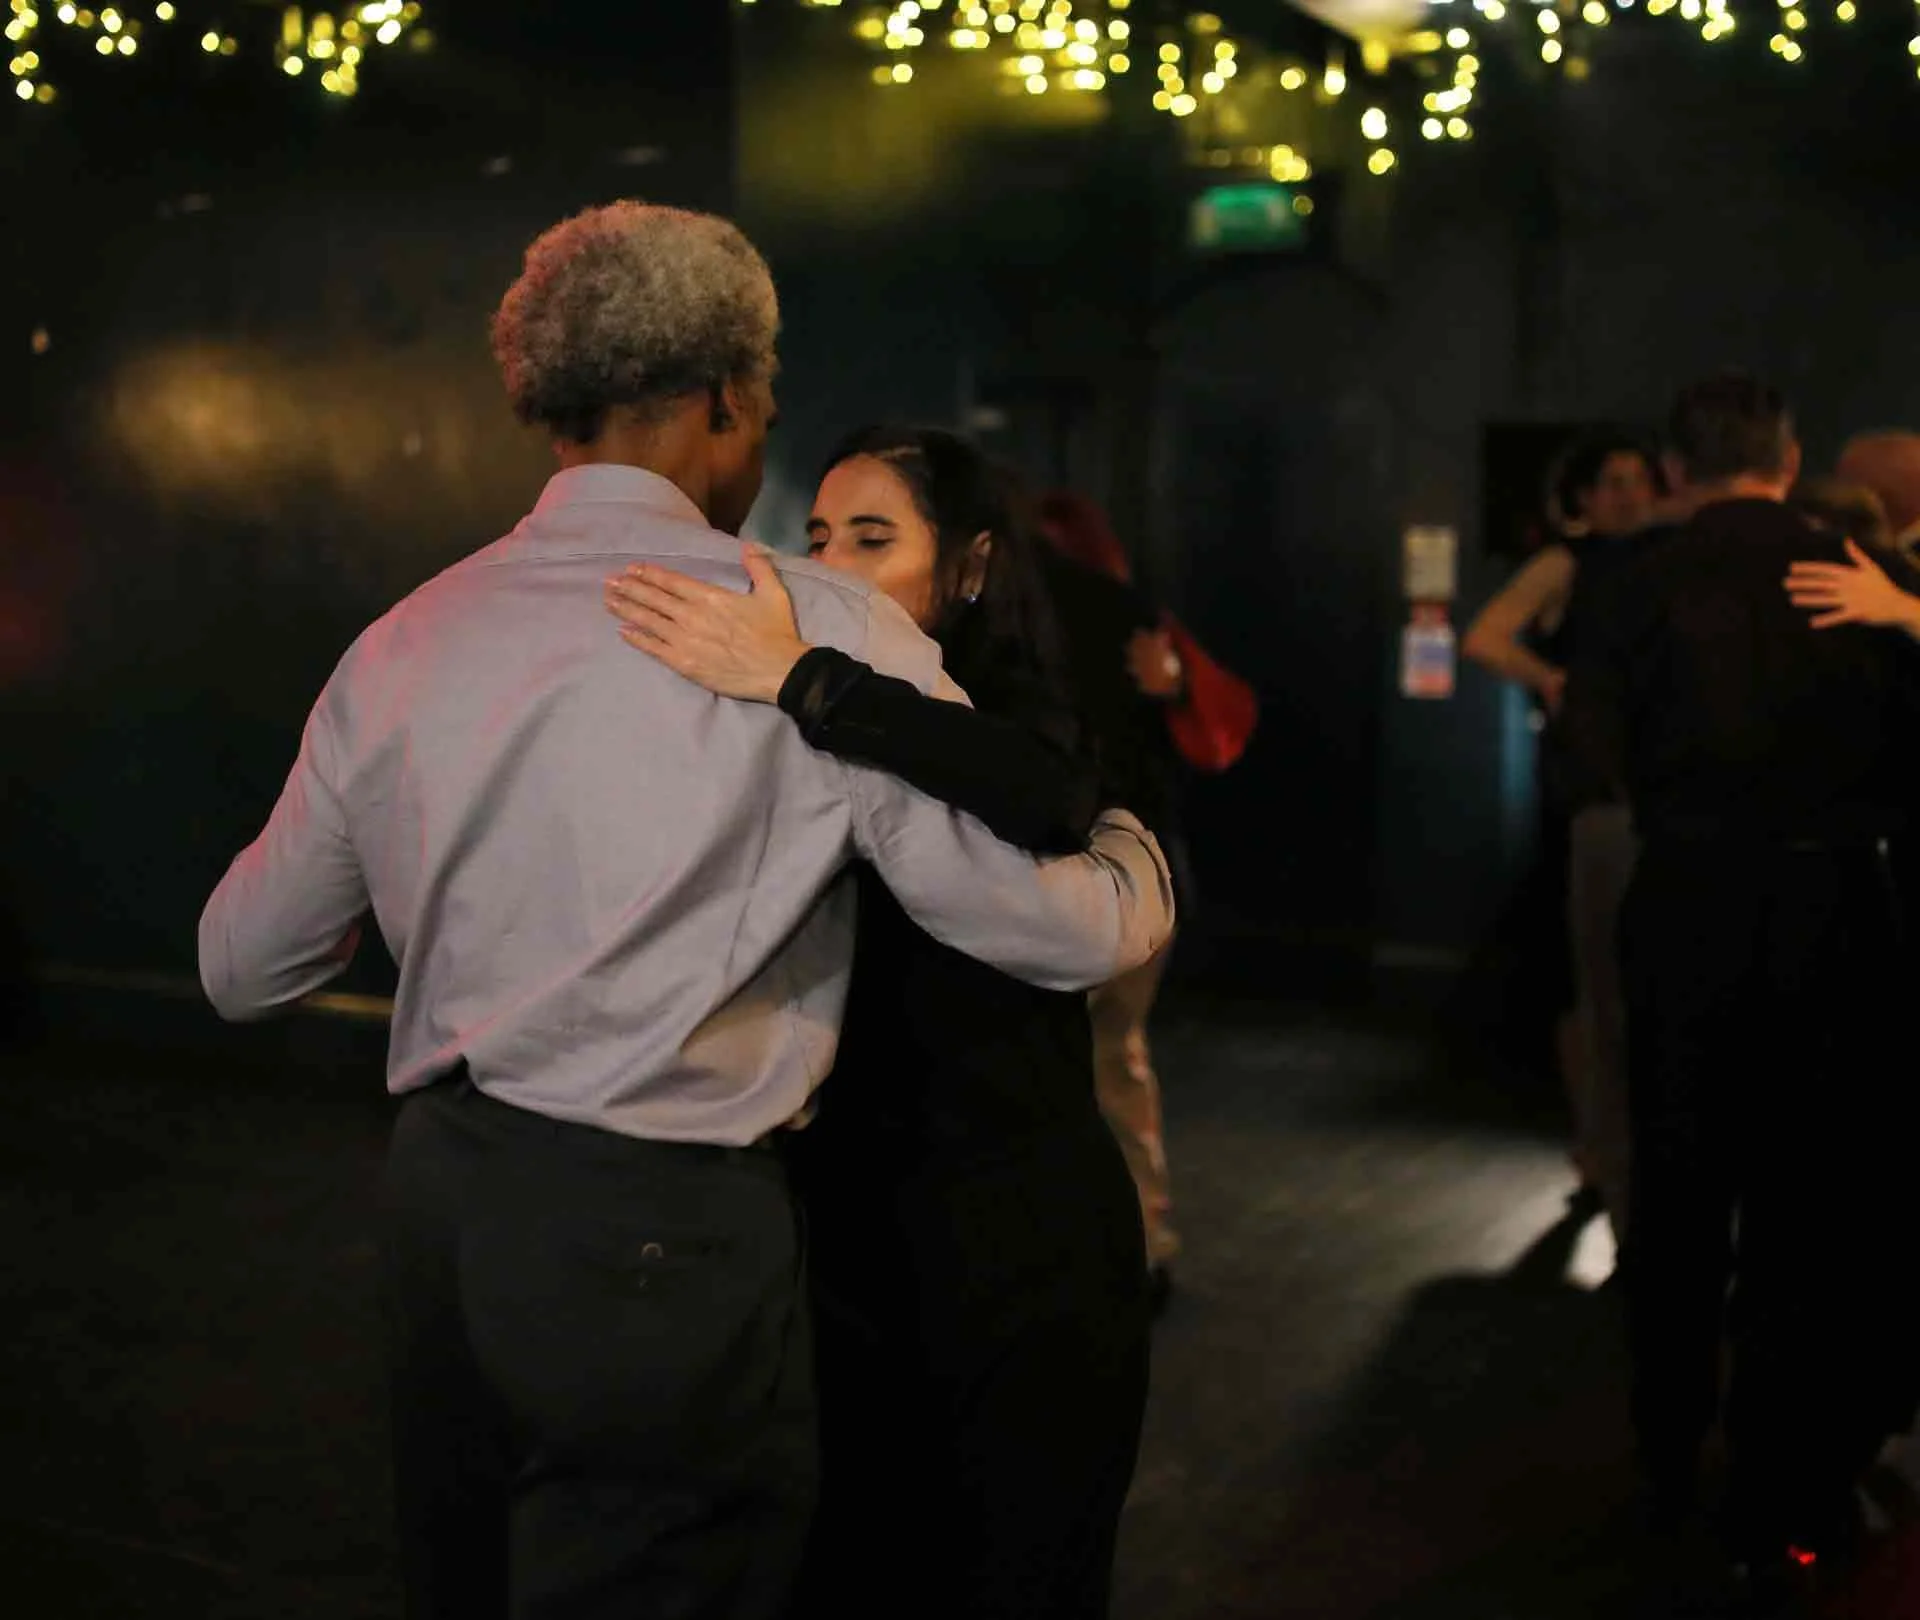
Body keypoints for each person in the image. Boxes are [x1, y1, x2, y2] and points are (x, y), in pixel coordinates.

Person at [197, 204, 1173, 1620]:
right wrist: (1136, 850)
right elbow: (1047, 931)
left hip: (442, 1204)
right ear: (726, 398)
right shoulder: (813, 625)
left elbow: (240, 966)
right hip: (655, 1226)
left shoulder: (408, 635)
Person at [604, 428, 1155, 1620]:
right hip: (845, 1224)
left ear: (967, 566)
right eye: (816, 538)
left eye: (872, 538)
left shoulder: (991, 705)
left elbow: (1058, 803)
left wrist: (809, 679)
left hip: (1016, 1233)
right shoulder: (791, 712)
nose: (833, 567)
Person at [1562, 373, 1920, 1594]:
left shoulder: (1630, 580)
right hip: (1838, 906)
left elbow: (1588, 753)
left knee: (1678, 1188)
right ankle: (1780, 1489)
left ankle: (1666, 1459)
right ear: (1791, 452)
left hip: (1689, 900)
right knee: (1808, 1206)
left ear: (1672, 469)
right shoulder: (1871, 578)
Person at [1463, 431, 1660, 1214]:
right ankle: (1593, 1138)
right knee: (1581, 976)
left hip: (1643, 787)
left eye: (1639, 479)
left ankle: (1620, 1142)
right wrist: (1549, 678)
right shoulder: (1568, 564)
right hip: (1586, 788)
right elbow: (1483, 636)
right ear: (1581, 497)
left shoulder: (1663, 560)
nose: (1628, 495)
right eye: (1613, 481)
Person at [1032, 491, 1191, 1300]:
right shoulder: (1129, 609)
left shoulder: (1007, 616)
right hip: (1144, 875)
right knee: (1117, 1058)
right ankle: (1144, 1241)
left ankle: (1071, 1252)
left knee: (1052, 1069)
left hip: (1057, 874)